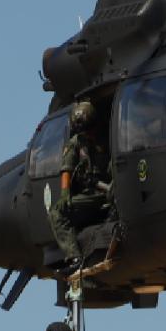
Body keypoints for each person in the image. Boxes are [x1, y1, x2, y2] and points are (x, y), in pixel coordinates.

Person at [51, 100, 111, 271]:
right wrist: (64, 193)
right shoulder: (76, 142)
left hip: (111, 191)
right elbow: (66, 169)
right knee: (57, 213)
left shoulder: (109, 137)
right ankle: (74, 257)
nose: (89, 135)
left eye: (90, 130)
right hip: (92, 194)